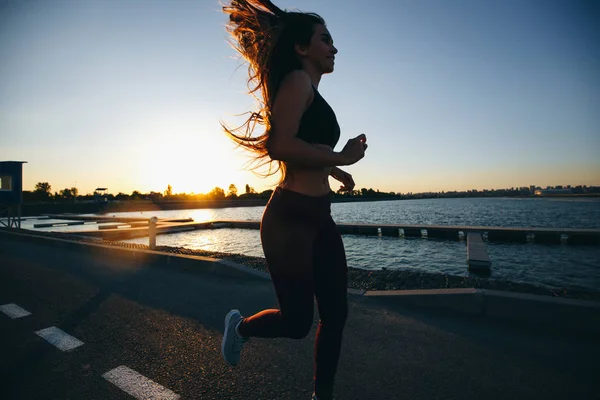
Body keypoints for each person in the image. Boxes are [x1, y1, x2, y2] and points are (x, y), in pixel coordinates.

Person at [220, 1, 368, 399]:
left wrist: (335, 171)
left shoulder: (311, 91)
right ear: (302, 48)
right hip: (290, 220)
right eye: (326, 40)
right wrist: (340, 157)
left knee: (336, 314)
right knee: (299, 322)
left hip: (320, 217)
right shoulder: (298, 83)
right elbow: (279, 145)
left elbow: (303, 145)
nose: (334, 48)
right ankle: (241, 327)